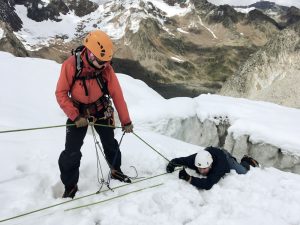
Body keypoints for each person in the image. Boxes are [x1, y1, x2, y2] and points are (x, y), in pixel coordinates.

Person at [56, 30, 133, 198]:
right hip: (77, 113)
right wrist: (75, 116)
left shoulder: (106, 69)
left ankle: (116, 170)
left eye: (107, 61)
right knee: (71, 153)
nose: (105, 65)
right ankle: (70, 186)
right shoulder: (70, 65)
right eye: (101, 61)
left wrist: (126, 120)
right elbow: (61, 93)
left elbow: (117, 95)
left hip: (100, 109)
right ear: (90, 54)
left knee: (110, 143)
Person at [166, 146, 259, 190]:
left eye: (204, 168)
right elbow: (182, 160)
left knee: (243, 171)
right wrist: (172, 163)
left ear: (210, 165)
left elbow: (208, 184)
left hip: (224, 158)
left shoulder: (219, 167)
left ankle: (246, 160)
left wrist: (188, 178)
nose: (201, 171)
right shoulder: (197, 159)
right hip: (210, 151)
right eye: (199, 168)